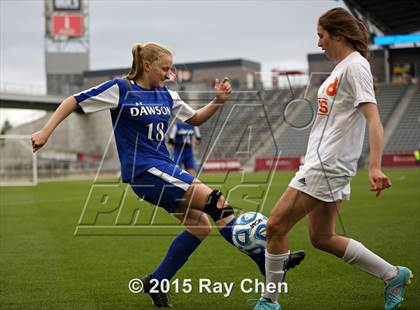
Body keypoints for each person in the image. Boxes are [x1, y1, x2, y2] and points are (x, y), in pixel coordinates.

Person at [31, 42, 304, 308]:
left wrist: (218, 102)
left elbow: (194, 118)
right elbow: (73, 101)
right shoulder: (121, 88)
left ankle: (157, 281)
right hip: (145, 172)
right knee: (217, 204)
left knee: (200, 227)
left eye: (171, 68)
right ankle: (268, 262)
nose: (169, 73)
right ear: (146, 65)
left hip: (164, 169)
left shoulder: (167, 95)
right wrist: (46, 131)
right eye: (165, 68)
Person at [254, 8, 413, 310]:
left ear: (338, 34)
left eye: (321, 36)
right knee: (322, 236)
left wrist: (376, 165)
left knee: (275, 226)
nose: (319, 43)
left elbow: (374, 119)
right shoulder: (343, 67)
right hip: (324, 161)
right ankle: (393, 275)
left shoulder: (355, 67)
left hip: (328, 164)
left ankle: (268, 301)